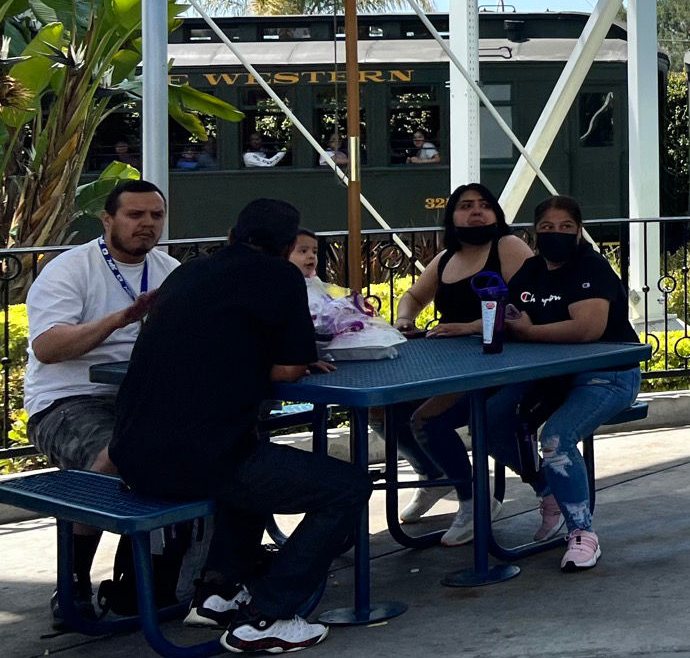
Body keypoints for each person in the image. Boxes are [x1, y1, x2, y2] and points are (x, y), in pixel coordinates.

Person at [110, 198, 368, 653]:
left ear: (231, 234)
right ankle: (269, 613)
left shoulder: (188, 271)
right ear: (288, 246)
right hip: (197, 461)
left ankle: (218, 594)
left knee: (247, 457)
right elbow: (289, 370)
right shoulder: (282, 277)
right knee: (346, 486)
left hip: (129, 454)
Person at [24, 180, 177, 618]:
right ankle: (73, 580)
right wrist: (119, 320)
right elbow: (48, 348)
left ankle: (145, 580)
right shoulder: (70, 269)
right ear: (107, 219)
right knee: (118, 455)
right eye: (135, 215)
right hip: (68, 400)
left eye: (155, 216)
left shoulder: (169, 270)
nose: (147, 225)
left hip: (142, 397)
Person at [483, 196, 643, 571]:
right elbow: (512, 315)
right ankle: (549, 489)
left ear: (578, 230)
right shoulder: (530, 271)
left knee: (555, 437)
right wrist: (472, 325)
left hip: (609, 373)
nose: (557, 234)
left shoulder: (593, 267)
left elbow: (587, 328)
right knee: (488, 421)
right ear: (536, 232)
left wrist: (531, 331)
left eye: (566, 227)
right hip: (549, 375)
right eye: (548, 227)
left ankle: (582, 534)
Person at [390, 183, 533, 545]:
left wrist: (469, 327)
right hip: (450, 366)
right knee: (381, 408)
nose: (477, 212)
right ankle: (434, 475)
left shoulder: (508, 248)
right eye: (466, 205)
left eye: (485, 205)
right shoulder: (445, 259)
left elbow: (528, 306)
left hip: (502, 366)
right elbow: (413, 295)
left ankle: (474, 501)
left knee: (427, 418)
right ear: (451, 216)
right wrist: (404, 319)